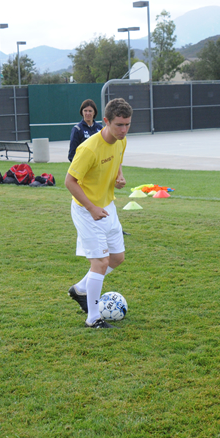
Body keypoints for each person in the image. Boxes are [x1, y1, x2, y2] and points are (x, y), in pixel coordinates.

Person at [65, 98, 131, 329]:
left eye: (127, 125)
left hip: (107, 206)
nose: (123, 130)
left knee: (117, 258)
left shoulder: (121, 142)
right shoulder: (89, 148)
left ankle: (81, 289)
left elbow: (118, 160)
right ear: (106, 121)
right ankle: (93, 318)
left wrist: (119, 176)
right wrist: (91, 208)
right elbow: (70, 181)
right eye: (119, 125)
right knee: (101, 262)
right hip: (86, 210)